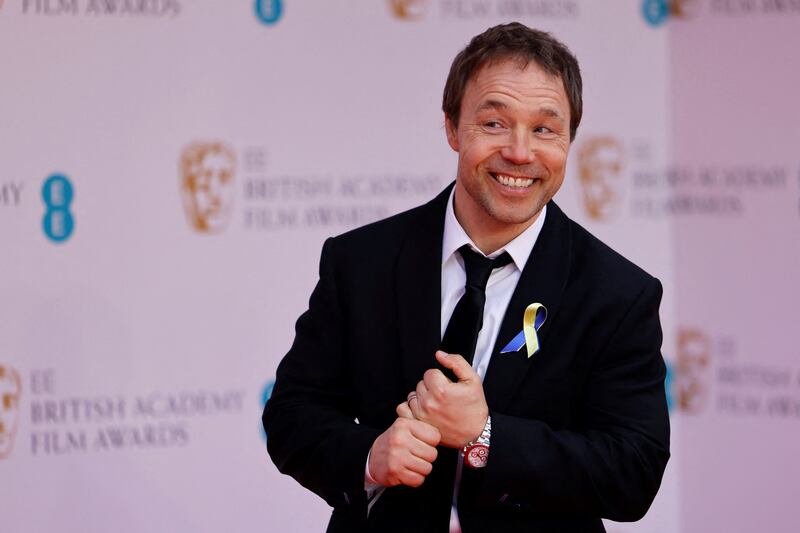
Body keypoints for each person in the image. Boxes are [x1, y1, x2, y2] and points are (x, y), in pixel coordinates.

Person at [263, 22, 670, 533]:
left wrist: (486, 435)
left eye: (544, 129)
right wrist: (369, 456)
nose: (521, 153)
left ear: (569, 139)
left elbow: (632, 473)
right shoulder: (360, 261)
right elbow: (291, 415)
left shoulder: (618, 293)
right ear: (453, 128)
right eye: (495, 123)